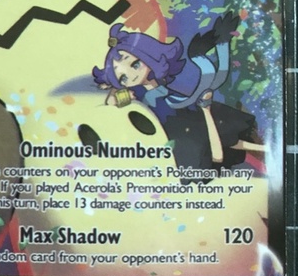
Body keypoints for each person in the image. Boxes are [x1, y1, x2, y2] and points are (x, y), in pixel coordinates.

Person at [92, 14, 265, 174]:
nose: (131, 75)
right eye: (122, 78)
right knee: (214, 150)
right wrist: (116, 88)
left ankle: (265, 150)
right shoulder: (137, 91)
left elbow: (182, 99)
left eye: (135, 64)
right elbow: (111, 103)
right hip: (173, 128)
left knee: (226, 133)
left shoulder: (159, 86)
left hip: (184, 111)